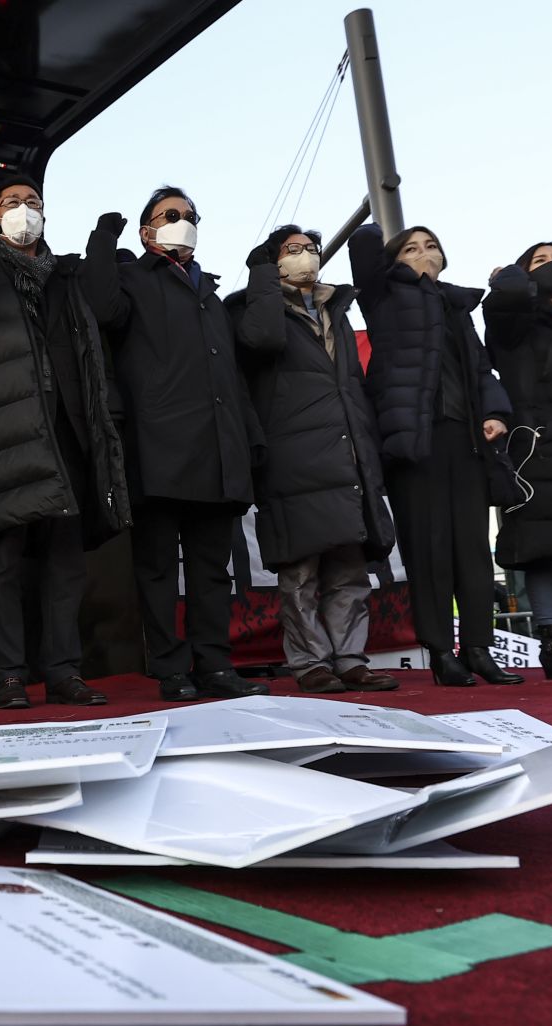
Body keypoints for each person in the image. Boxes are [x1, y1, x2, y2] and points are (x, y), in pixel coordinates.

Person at [0, 178, 130, 710]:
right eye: (11, 204)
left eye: (33, 203)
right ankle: (10, 676)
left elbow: (102, 326)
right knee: (2, 564)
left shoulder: (63, 273)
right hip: (1, 432)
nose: (25, 211)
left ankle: (64, 671)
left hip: (64, 428)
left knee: (65, 563)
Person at [82, 187, 267, 701]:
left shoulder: (209, 290)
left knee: (212, 572)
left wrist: (248, 438)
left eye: (190, 216)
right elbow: (100, 309)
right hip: (158, 449)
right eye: (171, 215)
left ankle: (215, 665)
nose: (183, 222)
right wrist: (103, 240)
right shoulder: (131, 277)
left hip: (217, 451)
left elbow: (230, 374)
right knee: (159, 570)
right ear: (147, 232)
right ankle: (170, 669)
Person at [349, 223, 520, 686]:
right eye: (411, 247)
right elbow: (363, 250)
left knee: (472, 550)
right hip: (413, 441)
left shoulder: (457, 306)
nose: (424, 252)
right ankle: (442, 652)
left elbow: (482, 369)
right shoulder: (384, 296)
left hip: (464, 437)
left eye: (431, 246)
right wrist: (382, 231)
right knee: (428, 550)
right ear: (394, 259)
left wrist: (494, 412)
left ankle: (480, 648)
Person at [228, 226, 397, 693]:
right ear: (271, 260)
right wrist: (262, 276)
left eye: (310, 249)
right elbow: (261, 340)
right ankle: (310, 663)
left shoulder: (335, 306)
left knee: (350, 567)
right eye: (292, 250)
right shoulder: (250, 306)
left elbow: (351, 383)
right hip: (291, 455)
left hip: (347, 451)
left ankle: (350, 658)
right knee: (300, 572)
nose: (305, 257)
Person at [484, 242, 552, 680]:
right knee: (544, 550)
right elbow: (501, 308)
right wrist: (509, 282)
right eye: (539, 261)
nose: (551, 267)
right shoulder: (517, 318)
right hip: (537, 445)